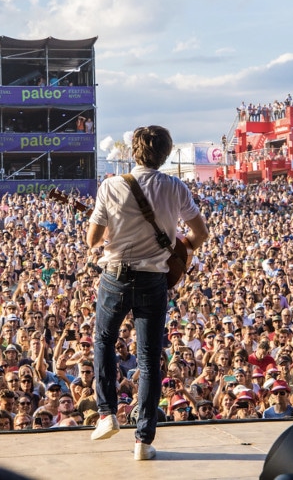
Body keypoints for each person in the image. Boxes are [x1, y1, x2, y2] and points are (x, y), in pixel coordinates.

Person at [86, 125, 209, 461]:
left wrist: (113, 232)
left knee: (104, 341)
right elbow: (200, 233)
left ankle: (107, 413)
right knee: (149, 358)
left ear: (133, 152)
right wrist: (184, 250)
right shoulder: (175, 186)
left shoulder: (111, 185)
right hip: (154, 279)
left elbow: (92, 240)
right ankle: (143, 441)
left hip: (116, 275)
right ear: (166, 154)